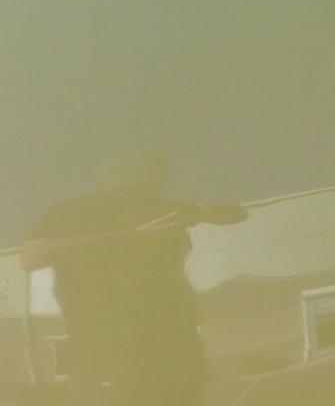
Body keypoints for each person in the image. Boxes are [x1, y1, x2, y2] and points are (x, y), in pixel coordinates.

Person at [20, 154, 247, 406]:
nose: (146, 193)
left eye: (152, 186)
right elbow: (31, 258)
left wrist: (205, 212)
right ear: (108, 182)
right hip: (107, 339)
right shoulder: (73, 212)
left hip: (173, 333)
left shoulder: (165, 209)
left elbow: (236, 214)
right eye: (137, 186)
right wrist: (132, 236)